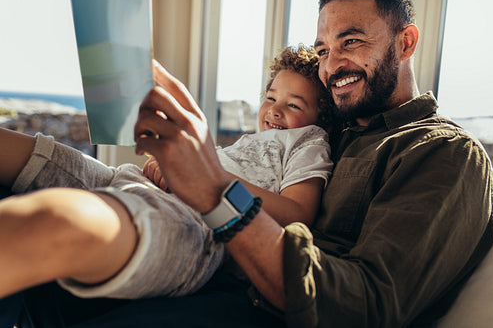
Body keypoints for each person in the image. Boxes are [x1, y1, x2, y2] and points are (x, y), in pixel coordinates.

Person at [129, 0, 493, 327]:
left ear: (406, 42)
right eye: (322, 50)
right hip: (208, 277)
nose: (331, 66)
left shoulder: (444, 152)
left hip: (260, 310)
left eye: (350, 42)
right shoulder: (327, 132)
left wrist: (216, 192)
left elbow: (366, 305)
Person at [0, 45, 335, 306]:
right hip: (131, 179)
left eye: (293, 105)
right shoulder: (248, 141)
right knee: (43, 154)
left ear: (320, 115)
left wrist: (208, 176)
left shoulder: (309, 139)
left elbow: (298, 214)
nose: (274, 109)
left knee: (56, 219)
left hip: (195, 226)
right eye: (271, 98)